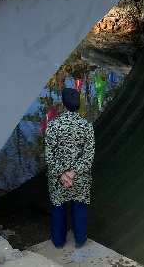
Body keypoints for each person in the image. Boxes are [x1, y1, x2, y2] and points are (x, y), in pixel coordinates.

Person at [45, 87, 95, 249]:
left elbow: (49, 155)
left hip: (58, 178)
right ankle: (80, 240)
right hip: (79, 178)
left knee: (58, 207)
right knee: (79, 206)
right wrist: (72, 173)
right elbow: (88, 155)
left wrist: (62, 174)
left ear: (62, 104)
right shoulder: (86, 126)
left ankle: (59, 242)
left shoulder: (52, 126)